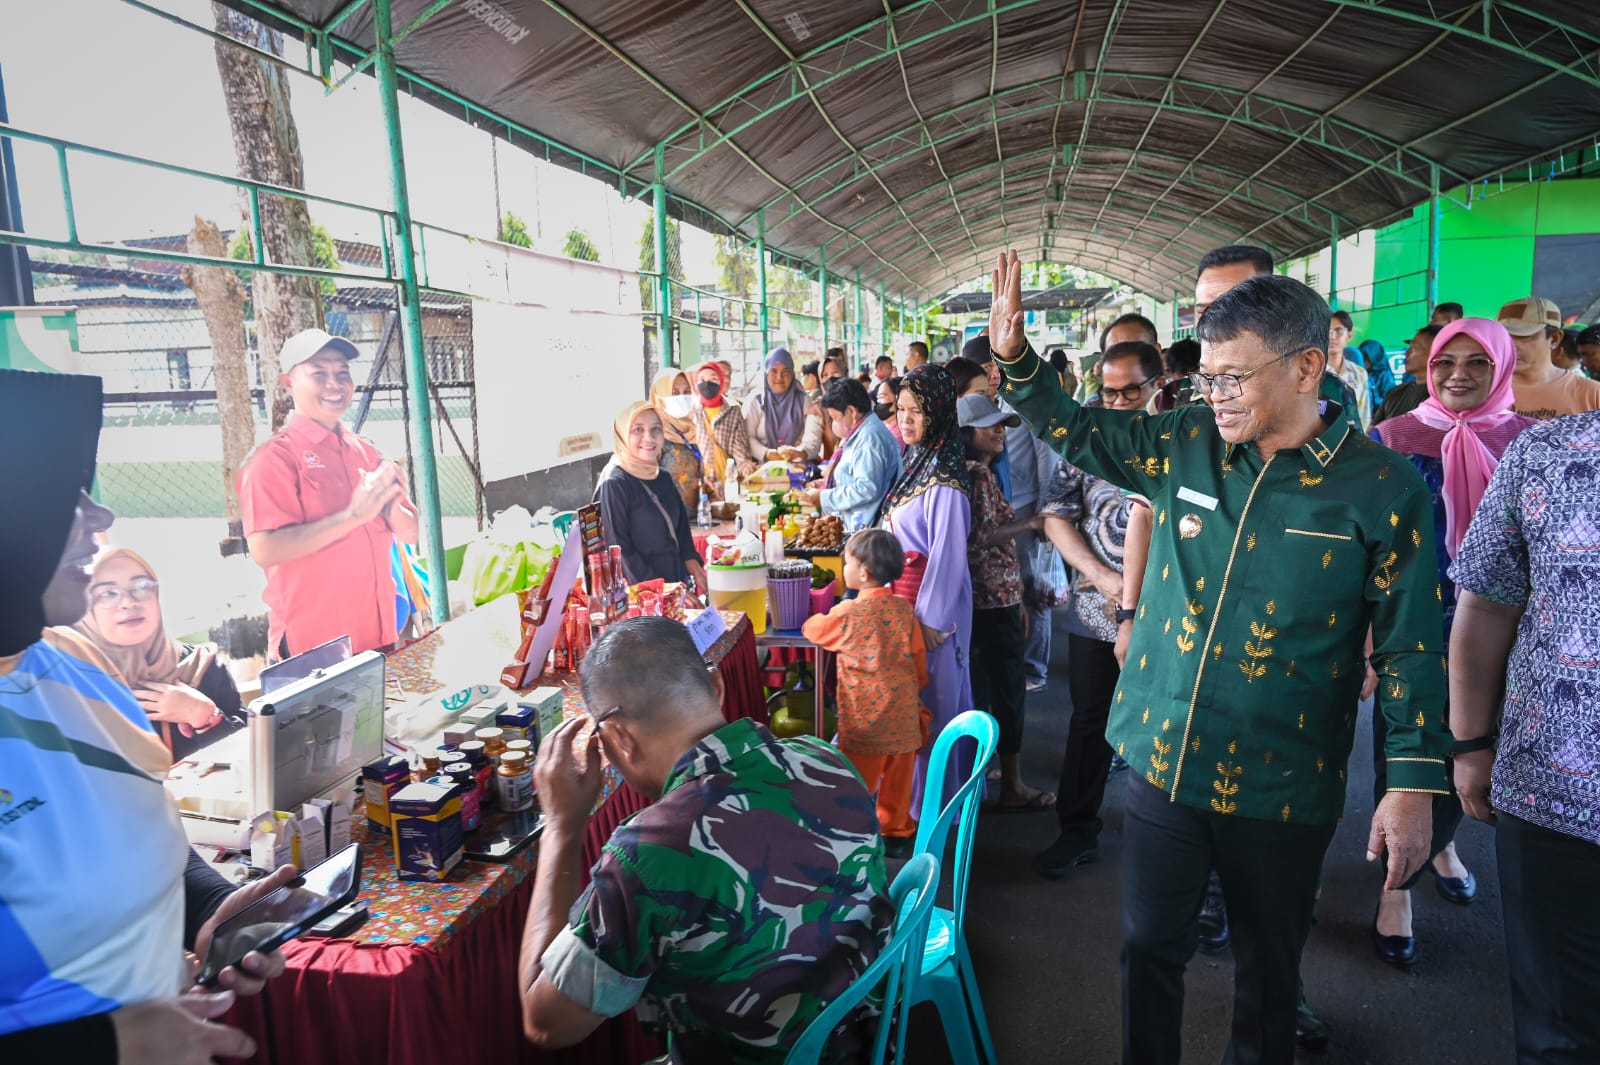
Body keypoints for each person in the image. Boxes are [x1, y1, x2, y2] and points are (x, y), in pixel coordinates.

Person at [988, 250, 1449, 1065]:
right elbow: (1081, 428)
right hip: (1165, 756)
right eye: (1206, 377)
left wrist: (1412, 782)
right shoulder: (1186, 441)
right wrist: (1017, 360)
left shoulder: (1382, 490)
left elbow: (1414, 647)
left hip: (1286, 776)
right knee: (1147, 949)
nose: (1214, 396)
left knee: (1269, 977)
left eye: (1234, 378)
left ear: (1309, 368)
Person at [0, 368, 292, 1064]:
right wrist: (107, 1043)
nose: (100, 518)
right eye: (62, 498)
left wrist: (212, 910)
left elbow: (133, 830)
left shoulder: (67, 662)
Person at [516, 618, 892, 1061]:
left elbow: (545, 1024)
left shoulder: (650, 853)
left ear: (617, 737)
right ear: (717, 686)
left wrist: (562, 827)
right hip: (869, 1045)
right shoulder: (825, 758)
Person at [1368, 318, 1536, 967]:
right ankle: (1395, 889)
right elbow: (1366, 545)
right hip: (1409, 629)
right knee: (1403, 763)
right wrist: (1364, 638)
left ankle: (1439, 843)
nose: (1459, 374)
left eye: (1477, 362)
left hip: (1505, 635)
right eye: (1446, 362)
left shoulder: (1529, 443)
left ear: (1503, 368)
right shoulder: (1393, 438)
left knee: (1475, 758)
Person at [1449, 408, 1600, 1064]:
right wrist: (1470, 744)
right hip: (1555, 796)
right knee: (1558, 1031)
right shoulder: (1546, 452)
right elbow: (1485, 602)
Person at [1034, 341, 1161, 878]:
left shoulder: (1183, 440)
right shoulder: (1085, 439)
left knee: (1165, 724)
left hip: (1167, 614)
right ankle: (1077, 829)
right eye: (1108, 392)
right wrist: (1103, 576)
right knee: (1089, 720)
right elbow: (1056, 517)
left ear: (1158, 386)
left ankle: (1168, 844)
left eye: (1131, 390)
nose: (1119, 401)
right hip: (1093, 608)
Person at [238, 327, 419, 659]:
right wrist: (353, 517)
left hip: (378, 633)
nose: (334, 384)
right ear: (288, 382)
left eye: (342, 373)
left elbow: (411, 530)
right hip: (316, 648)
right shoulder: (273, 460)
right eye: (319, 373)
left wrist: (389, 505)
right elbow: (264, 549)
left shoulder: (367, 453)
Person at [880, 364, 975, 816]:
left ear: (938, 411)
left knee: (935, 707)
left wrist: (931, 623)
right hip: (905, 606)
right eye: (900, 409)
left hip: (931, 614)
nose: (906, 420)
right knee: (914, 710)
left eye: (917, 411)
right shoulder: (917, 465)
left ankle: (937, 808)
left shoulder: (946, 479)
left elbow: (949, 555)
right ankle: (915, 806)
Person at [802, 529, 929, 857]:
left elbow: (813, 630)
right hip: (903, 718)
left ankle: (850, 832)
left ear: (863, 572)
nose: (844, 568)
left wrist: (815, 615)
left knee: (856, 781)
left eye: (847, 562)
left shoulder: (848, 614)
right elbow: (918, 661)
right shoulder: (904, 610)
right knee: (899, 785)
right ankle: (896, 834)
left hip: (866, 720)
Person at [958, 391, 1054, 813]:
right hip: (992, 599)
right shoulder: (977, 477)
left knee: (981, 688)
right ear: (966, 432)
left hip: (985, 598)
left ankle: (977, 779)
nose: (1000, 431)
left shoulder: (967, 472)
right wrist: (1032, 522)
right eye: (990, 425)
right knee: (1008, 689)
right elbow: (981, 537)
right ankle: (1011, 784)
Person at [71, 548, 245, 763]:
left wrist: (204, 716)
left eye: (142, 587)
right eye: (107, 593)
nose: (129, 602)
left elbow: (249, 764)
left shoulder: (203, 667)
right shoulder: (73, 691)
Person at [595, 402, 709, 595]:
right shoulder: (614, 483)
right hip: (643, 596)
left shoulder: (661, 477)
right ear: (623, 434)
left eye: (656, 429)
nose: (649, 438)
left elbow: (681, 531)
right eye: (637, 430)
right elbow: (620, 553)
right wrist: (664, 592)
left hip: (675, 586)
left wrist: (698, 573)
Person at [801, 378, 902, 534]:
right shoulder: (863, 432)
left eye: (834, 418)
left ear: (851, 412)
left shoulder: (870, 437)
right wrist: (830, 483)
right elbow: (857, 475)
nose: (833, 423)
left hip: (870, 530)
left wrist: (825, 497)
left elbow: (867, 488)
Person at [1498, 296, 1600, 419]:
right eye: (1503, 336)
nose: (1511, 345)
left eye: (1524, 336)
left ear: (1555, 339)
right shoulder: (1482, 392)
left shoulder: (1593, 396)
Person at [688, 360, 756, 496]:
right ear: (696, 384)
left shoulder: (733, 412)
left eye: (713, 379)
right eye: (701, 379)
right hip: (696, 487)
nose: (707, 383)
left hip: (726, 487)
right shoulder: (690, 412)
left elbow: (740, 454)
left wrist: (750, 469)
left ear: (720, 382)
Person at [742, 347, 821, 459]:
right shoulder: (756, 401)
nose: (779, 377)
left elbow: (813, 438)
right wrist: (765, 453)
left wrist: (801, 452)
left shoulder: (803, 400)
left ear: (792, 374)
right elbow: (747, 437)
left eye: (785, 371)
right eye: (773, 371)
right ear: (766, 373)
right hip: (761, 467)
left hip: (796, 466)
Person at [647, 367, 705, 519]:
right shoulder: (653, 435)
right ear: (659, 396)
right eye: (674, 393)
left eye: (687, 392)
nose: (682, 397)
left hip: (697, 518)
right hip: (666, 523)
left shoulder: (696, 426)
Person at [1372, 325, 1443, 425]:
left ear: (1435, 354)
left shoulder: (1445, 398)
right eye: (1409, 347)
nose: (1407, 353)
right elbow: (1372, 433)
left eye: (1415, 348)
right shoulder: (1395, 393)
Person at [1328, 309, 1372, 428]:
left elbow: (1364, 414)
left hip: (1351, 439)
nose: (1332, 336)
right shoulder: (1311, 372)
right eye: (1327, 331)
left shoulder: (1359, 373)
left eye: (1338, 331)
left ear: (1349, 335)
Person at [1358, 337, 1396, 412]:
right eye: (1361, 356)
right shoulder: (1358, 373)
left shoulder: (1385, 376)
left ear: (1375, 356)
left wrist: (1372, 398)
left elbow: (1391, 400)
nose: (1364, 360)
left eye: (1367, 357)